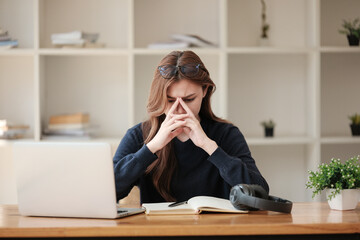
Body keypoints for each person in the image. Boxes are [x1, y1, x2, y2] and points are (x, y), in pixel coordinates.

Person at [113, 50, 269, 203]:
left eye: (188, 100)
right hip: (159, 229)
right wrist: (151, 148)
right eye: (170, 100)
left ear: (205, 91)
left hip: (216, 228)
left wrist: (210, 147)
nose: (180, 110)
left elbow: (259, 194)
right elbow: (109, 193)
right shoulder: (139, 135)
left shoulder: (226, 134)